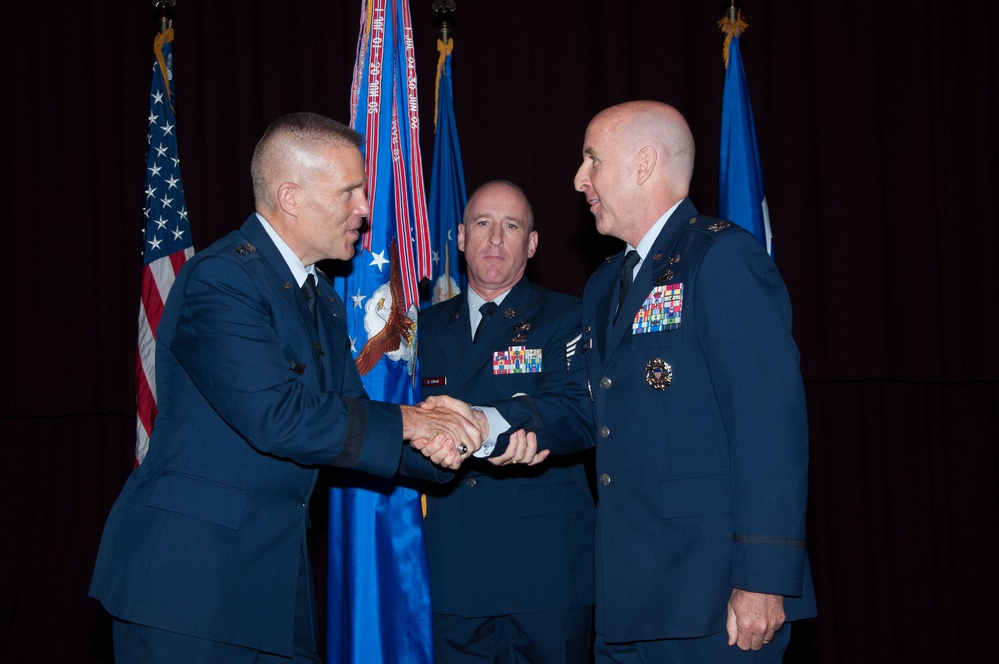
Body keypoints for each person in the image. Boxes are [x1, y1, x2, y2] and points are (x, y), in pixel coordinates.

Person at [89, 112, 483, 664]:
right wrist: (417, 423)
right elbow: (279, 415)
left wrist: (457, 445)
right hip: (188, 588)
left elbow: (349, 417)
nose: (365, 210)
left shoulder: (318, 296)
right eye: (350, 192)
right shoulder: (221, 279)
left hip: (274, 586)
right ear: (291, 197)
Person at [568, 100, 817, 661]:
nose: (579, 179)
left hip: (713, 600)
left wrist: (763, 578)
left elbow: (769, 424)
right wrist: (496, 425)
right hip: (626, 598)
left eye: (591, 160)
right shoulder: (604, 285)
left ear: (643, 164)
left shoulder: (722, 257)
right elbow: (596, 413)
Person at [418, 181, 595, 663]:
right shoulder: (421, 330)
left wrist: (494, 424)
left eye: (511, 226)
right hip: (451, 569)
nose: (495, 238)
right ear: (458, 236)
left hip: (544, 572)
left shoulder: (570, 316)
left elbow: (582, 410)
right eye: (482, 223)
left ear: (532, 244)